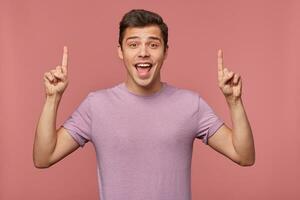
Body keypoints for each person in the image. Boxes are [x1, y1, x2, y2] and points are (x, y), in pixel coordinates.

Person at [33, 9, 255, 200]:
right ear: (120, 51)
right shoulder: (96, 106)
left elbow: (244, 156)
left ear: (165, 51)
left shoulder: (190, 104)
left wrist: (234, 102)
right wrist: (52, 99)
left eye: (153, 44)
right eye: (133, 44)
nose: (143, 52)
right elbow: (44, 158)